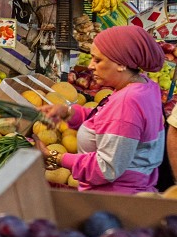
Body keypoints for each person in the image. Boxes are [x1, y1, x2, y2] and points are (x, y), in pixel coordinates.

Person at [40, 25, 165, 194]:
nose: (90, 66)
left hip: (116, 198)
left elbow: (106, 167)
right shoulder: (143, 85)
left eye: (98, 60)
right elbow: (106, 118)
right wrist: (69, 113)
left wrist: (57, 158)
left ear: (122, 64)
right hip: (130, 191)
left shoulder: (128, 102)